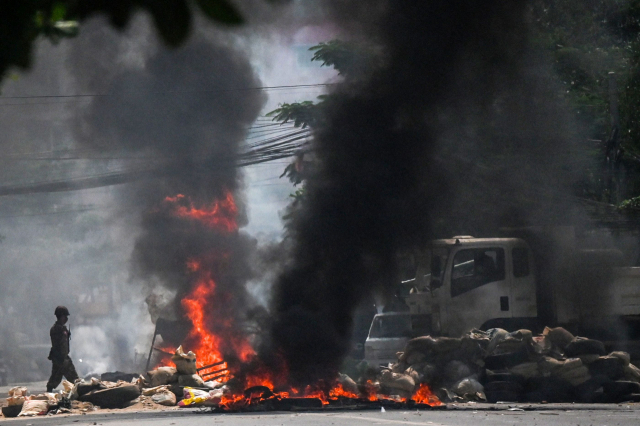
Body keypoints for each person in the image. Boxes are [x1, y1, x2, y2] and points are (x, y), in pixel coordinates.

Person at [46, 306, 79, 392]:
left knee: (55, 378)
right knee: (75, 380)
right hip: (61, 358)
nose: (66, 319)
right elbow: (60, 345)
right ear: (61, 316)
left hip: (59, 358)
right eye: (65, 316)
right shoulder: (58, 329)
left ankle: (48, 393)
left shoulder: (59, 328)